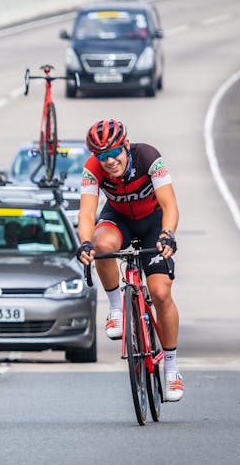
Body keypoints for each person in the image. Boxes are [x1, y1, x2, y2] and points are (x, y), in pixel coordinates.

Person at [76, 119, 183, 402]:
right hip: (118, 218)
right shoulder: (92, 169)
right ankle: (116, 310)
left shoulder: (149, 157)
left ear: (125, 145)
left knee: (160, 292)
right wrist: (85, 243)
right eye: (102, 156)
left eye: (113, 153)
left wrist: (168, 235)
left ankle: (171, 366)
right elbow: (86, 214)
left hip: (153, 223)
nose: (109, 161)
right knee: (102, 245)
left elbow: (169, 204)